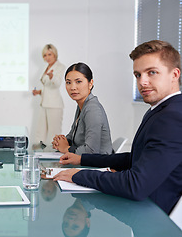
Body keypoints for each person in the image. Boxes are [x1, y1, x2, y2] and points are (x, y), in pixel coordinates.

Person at [53, 40, 182, 215]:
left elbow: (136, 185)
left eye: (152, 72)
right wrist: (82, 161)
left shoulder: (172, 117)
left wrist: (79, 175)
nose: (142, 82)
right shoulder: (160, 110)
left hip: (153, 217)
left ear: (174, 75)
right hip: (143, 207)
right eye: (137, 75)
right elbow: (134, 159)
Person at [52, 62, 113, 155]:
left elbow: (91, 151)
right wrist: (60, 141)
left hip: (97, 166)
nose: (72, 87)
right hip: (83, 162)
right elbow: (72, 136)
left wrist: (66, 148)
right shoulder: (82, 105)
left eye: (78, 82)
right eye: (68, 82)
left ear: (90, 83)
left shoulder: (92, 109)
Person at [32, 44, 65, 148]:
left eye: (49, 54)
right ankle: (37, 153)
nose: (47, 57)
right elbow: (48, 88)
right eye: (45, 55)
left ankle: (54, 156)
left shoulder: (60, 67)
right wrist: (39, 92)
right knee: (40, 131)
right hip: (44, 103)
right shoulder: (47, 67)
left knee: (54, 134)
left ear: (55, 54)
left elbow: (57, 83)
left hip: (54, 105)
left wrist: (52, 77)